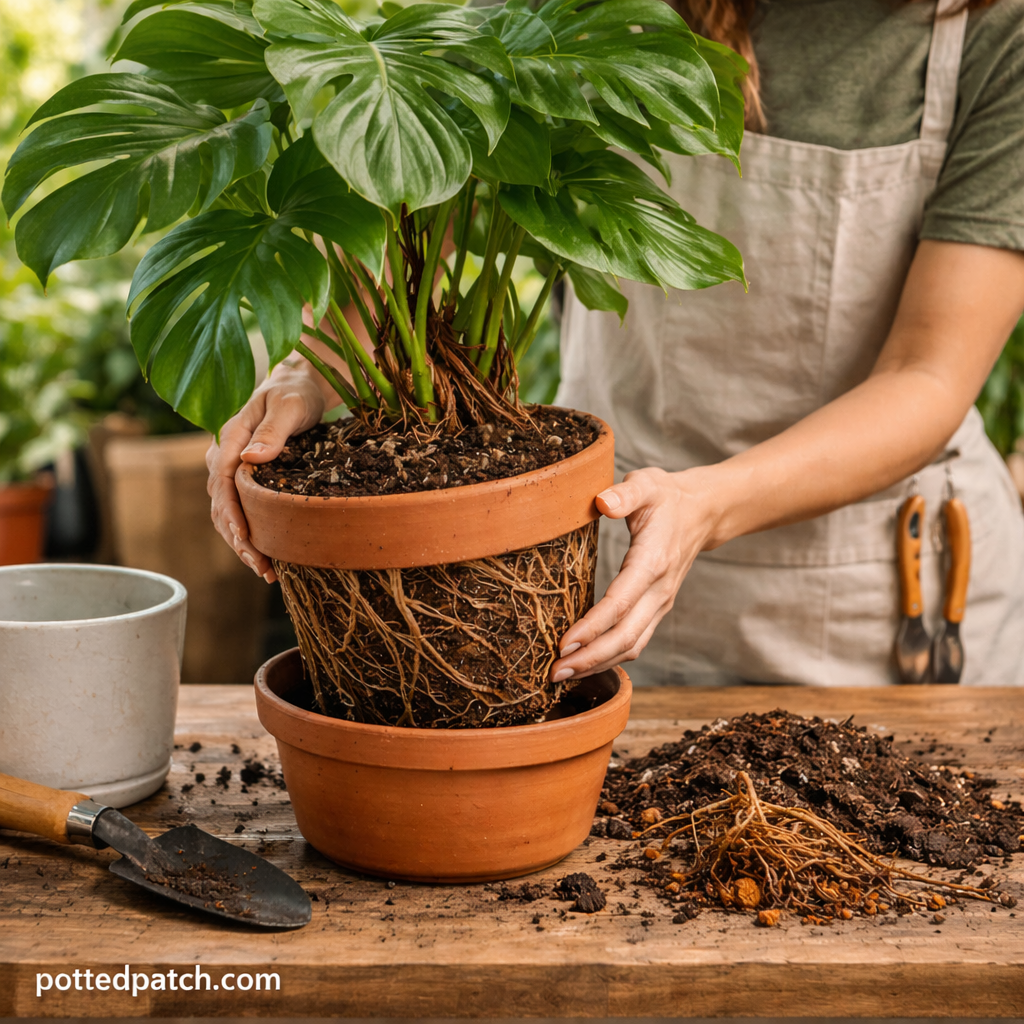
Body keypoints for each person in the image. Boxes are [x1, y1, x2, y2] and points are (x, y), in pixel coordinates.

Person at [208, 0, 1024, 688]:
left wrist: (703, 506)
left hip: (878, 600)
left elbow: (928, 372)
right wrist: (308, 368)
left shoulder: (998, 30)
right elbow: (423, 181)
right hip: (605, 560)